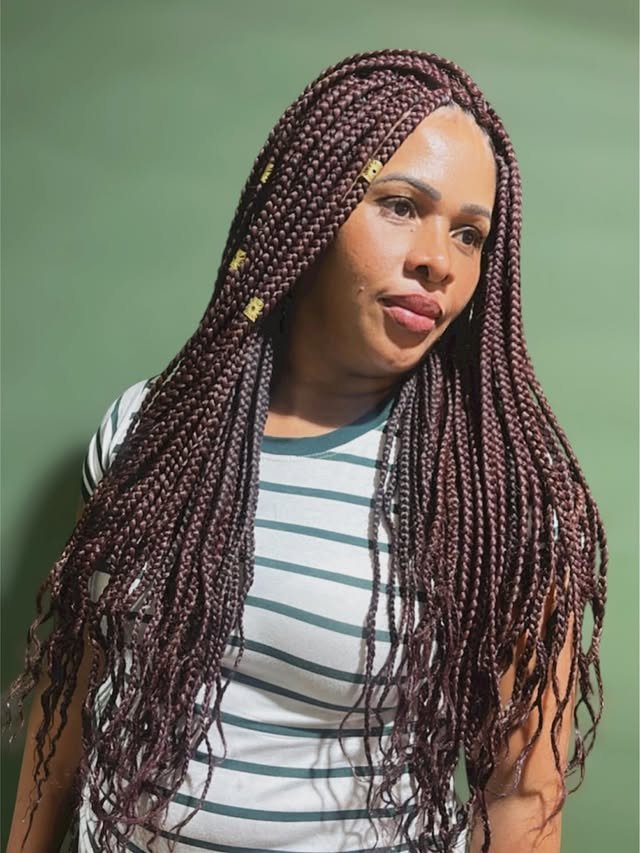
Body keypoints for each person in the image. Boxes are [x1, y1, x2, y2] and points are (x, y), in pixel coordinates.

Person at [5, 49, 607, 853]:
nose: (439, 259)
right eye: (401, 206)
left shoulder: (493, 502)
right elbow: (74, 698)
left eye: (469, 234)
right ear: (310, 205)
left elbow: (522, 798)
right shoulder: (148, 428)